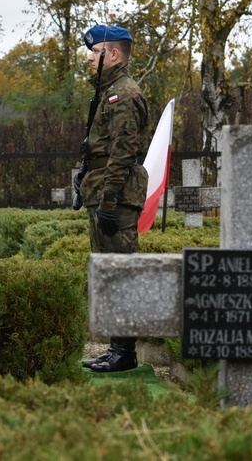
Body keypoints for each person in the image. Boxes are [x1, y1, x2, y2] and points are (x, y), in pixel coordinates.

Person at [77, 24, 150, 373]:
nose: (90, 58)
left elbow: (123, 152)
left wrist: (108, 201)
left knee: (122, 272)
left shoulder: (124, 94)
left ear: (113, 54)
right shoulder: (109, 92)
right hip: (105, 193)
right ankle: (117, 347)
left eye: (95, 51)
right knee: (110, 271)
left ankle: (125, 352)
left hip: (116, 199)